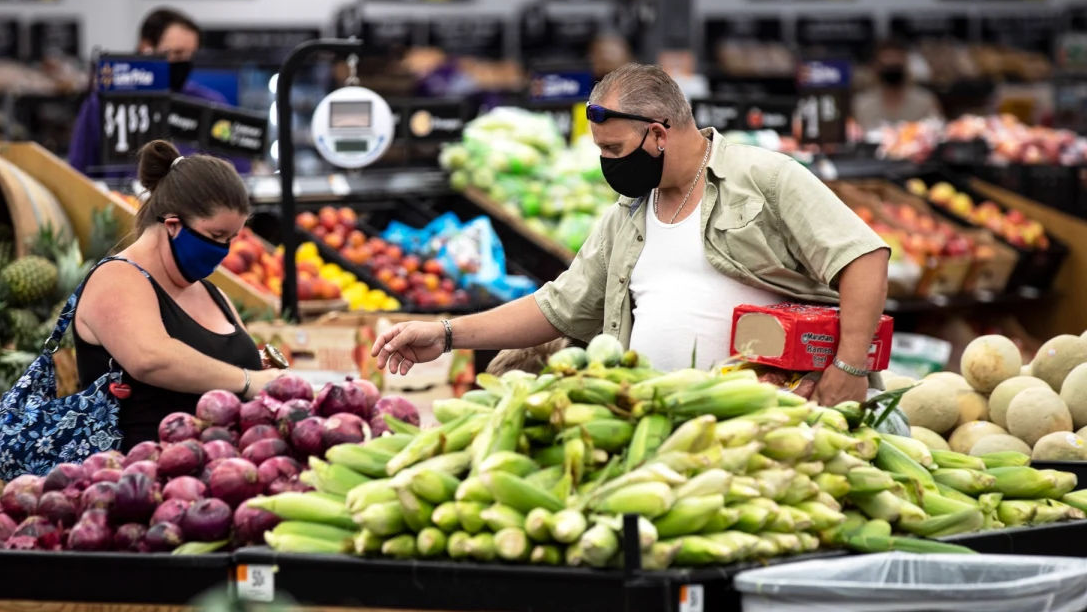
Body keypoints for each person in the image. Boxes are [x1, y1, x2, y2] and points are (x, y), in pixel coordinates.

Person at [373, 64, 890, 406]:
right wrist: (444, 335)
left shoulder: (765, 178)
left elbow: (863, 258)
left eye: (615, 150)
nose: (607, 164)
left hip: (772, 419)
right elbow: (556, 308)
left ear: (659, 132)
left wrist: (848, 366)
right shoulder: (627, 217)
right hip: (655, 420)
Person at [73, 139, 281, 448]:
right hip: (139, 481)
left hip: (225, 477)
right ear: (172, 225)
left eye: (231, 238)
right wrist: (247, 381)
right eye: (216, 236)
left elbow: (250, 367)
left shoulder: (213, 294)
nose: (223, 250)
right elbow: (151, 358)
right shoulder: (117, 277)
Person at [68, 7, 230, 174]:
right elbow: (79, 174)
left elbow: (235, 176)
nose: (184, 62)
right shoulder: (101, 104)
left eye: (191, 55)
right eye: (177, 53)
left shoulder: (211, 104)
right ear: (147, 48)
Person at [853, 39, 944, 130]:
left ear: (905, 65)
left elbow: (938, 132)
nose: (892, 71)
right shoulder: (862, 105)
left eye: (896, 66)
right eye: (887, 66)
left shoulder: (925, 102)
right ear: (876, 67)